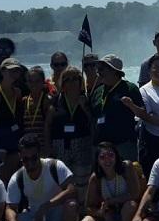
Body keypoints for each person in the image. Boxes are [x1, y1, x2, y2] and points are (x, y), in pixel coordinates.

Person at [2, 134, 79, 221]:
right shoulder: (17, 177)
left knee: (71, 205)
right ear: (20, 157)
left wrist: (47, 206)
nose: (30, 163)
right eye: (25, 159)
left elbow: (72, 190)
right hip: (35, 218)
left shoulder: (55, 166)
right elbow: (10, 207)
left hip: (57, 216)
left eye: (34, 158)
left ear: (40, 154)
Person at [78, 142, 141, 221]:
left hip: (130, 212)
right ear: (97, 160)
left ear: (116, 156)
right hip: (110, 214)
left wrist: (111, 201)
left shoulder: (126, 167)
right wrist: (104, 213)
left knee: (130, 206)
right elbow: (87, 207)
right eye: (102, 157)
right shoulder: (96, 178)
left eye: (111, 155)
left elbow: (135, 194)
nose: (107, 160)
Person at [44, 67, 94, 201]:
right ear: (62, 83)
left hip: (82, 145)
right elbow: (48, 125)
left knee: (82, 182)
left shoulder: (87, 99)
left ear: (80, 81)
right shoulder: (56, 101)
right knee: (63, 182)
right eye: (67, 79)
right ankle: (66, 208)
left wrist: (85, 108)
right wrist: (48, 146)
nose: (71, 82)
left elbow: (93, 123)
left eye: (75, 79)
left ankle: (82, 207)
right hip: (60, 146)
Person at [124, 55, 159, 171]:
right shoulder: (144, 90)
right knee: (155, 172)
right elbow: (148, 116)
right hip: (154, 140)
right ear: (149, 72)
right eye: (155, 68)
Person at [93, 54, 145, 162]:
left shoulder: (129, 88)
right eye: (98, 69)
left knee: (126, 172)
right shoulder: (98, 91)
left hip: (124, 145)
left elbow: (143, 114)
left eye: (102, 69)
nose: (98, 72)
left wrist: (131, 105)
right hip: (102, 146)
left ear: (114, 71)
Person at [0, 58, 25, 182]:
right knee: (2, 180)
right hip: (1, 144)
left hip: (15, 142)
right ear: (2, 71)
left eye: (17, 71)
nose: (14, 74)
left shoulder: (17, 92)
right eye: (11, 70)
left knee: (16, 179)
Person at [22, 66, 52, 143]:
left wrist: (47, 145)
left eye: (37, 81)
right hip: (28, 147)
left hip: (43, 145)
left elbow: (49, 126)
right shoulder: (24, 101)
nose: (34, 84)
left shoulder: (47, 101)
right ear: (26, 83)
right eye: (30, 81)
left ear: (43, 82)